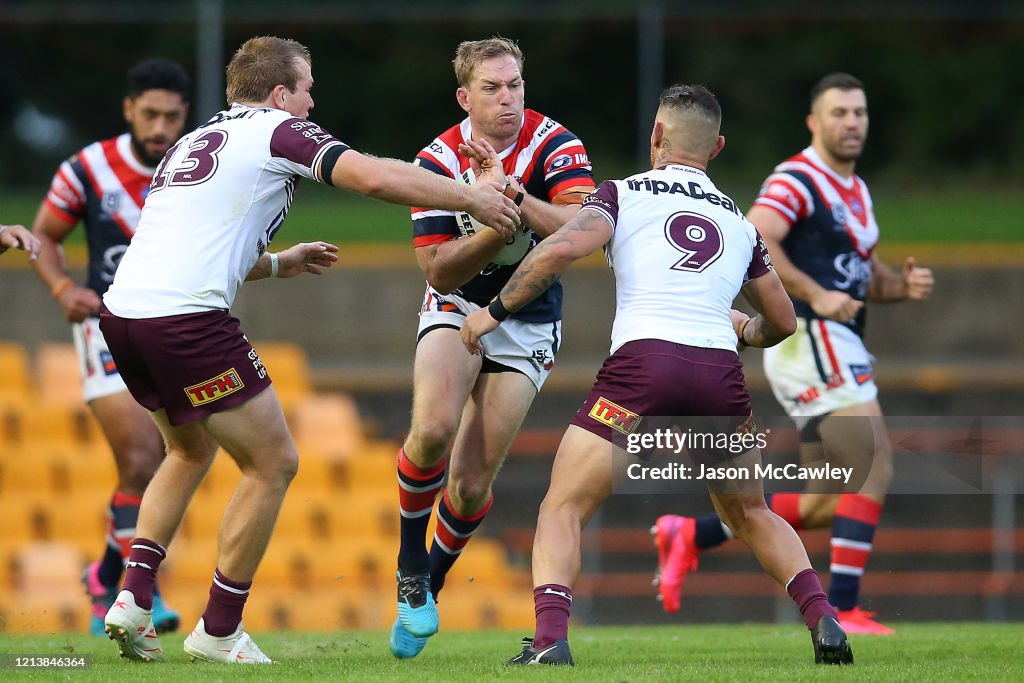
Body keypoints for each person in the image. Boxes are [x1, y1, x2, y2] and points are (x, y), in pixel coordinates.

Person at [96, 35, 519, 664]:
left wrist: (275, 264)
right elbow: (372, 177)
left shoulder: (199, 138)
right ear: (278, 94)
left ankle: (131, 598)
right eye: (307, 88)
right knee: (274, 464)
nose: (313, 100)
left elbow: (191, 244)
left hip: (125, 316)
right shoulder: (276, 130)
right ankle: (218, 630)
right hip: (187, 324)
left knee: (186, 451)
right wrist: (471, 196)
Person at [462, 84, 853, 666]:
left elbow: (555, 251)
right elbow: (783, 319)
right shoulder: (738, 221)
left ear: (655, 137)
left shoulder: (621, 195)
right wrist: (743, 331)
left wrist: (489, 316)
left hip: (643, 369)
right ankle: (825, 621)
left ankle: (550, 642)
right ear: (716, 147)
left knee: (563, 505)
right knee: (750, 511)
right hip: (720, 375)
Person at [652, 73, 934, 636]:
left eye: (858, 112)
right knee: (872, 467)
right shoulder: (800, 176)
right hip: (809, 336)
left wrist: (893, 287)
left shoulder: (854, 190)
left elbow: (853, 276)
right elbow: (761, 232)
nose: (851, 122)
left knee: (828, 497)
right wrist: (812, 292)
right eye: (838, 113)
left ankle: (692, 533)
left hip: (835, 339)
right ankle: (846, 607)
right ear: (814, 122)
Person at [389, 36, 595, 659]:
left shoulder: (557, 144)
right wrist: (489, 222)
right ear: (464, 96)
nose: (507, 100)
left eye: (515, 86)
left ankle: (430, 583)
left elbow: (583, 232)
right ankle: (408, 567)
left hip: (530, 318)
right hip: (456, 307)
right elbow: (438, 273)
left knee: (473, 484)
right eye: (491, 88)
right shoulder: (435, 161)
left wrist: (511, 195)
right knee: (432, 430)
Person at [30, 59, 191, 637]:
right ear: (129, 109)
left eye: (172, 116)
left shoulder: (197, 165)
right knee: (145, 457)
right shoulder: (87, 169)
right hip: (105, 325)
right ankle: (136, 591)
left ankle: (104, 576)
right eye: (149, 113)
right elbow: (45, 234)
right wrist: (61, 286)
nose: (160, 126)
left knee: (162, 461)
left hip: (174, 325)